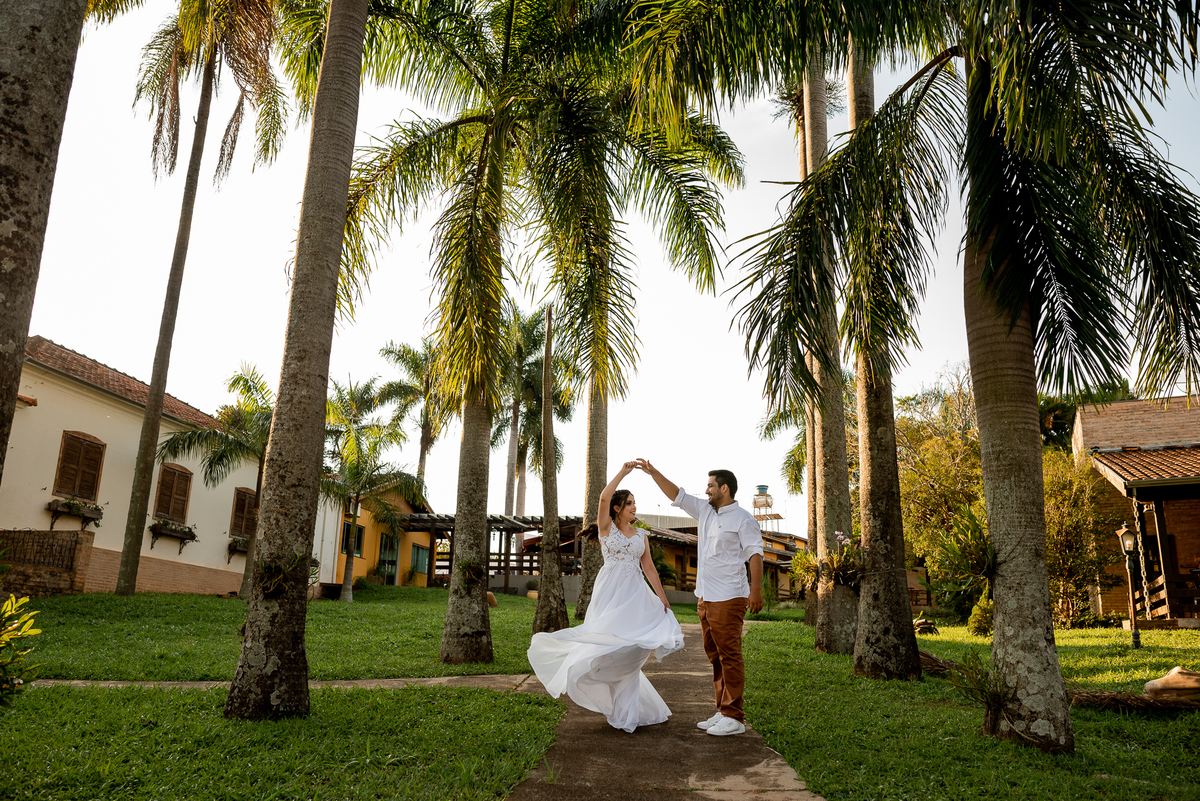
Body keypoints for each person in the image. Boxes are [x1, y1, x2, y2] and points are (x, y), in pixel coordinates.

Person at [526, 461, 684, 733]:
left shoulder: (641, 535)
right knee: (606, 645)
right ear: (617, 508)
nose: (635, 506)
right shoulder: (606, 529)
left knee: (634, 647)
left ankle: (628, 711)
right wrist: (623, 472)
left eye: (635, 502)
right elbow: (602, 497)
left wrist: (662, 599)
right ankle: (604, 690)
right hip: (610, 593)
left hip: (636, 595)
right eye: (630, 503)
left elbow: (649, 568)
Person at [637, 459, 763, 736]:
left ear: (725, 489)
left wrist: (755, 590)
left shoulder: (744, 519)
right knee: (715, 656)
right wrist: (653, 472)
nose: (706, 491)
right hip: (706, 596)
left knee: (730, 655)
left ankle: (735, 717)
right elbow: (677, 494)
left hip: (730, 597)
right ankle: (723, 710)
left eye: (710, 486)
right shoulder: (706, 511)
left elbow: (755, 554)